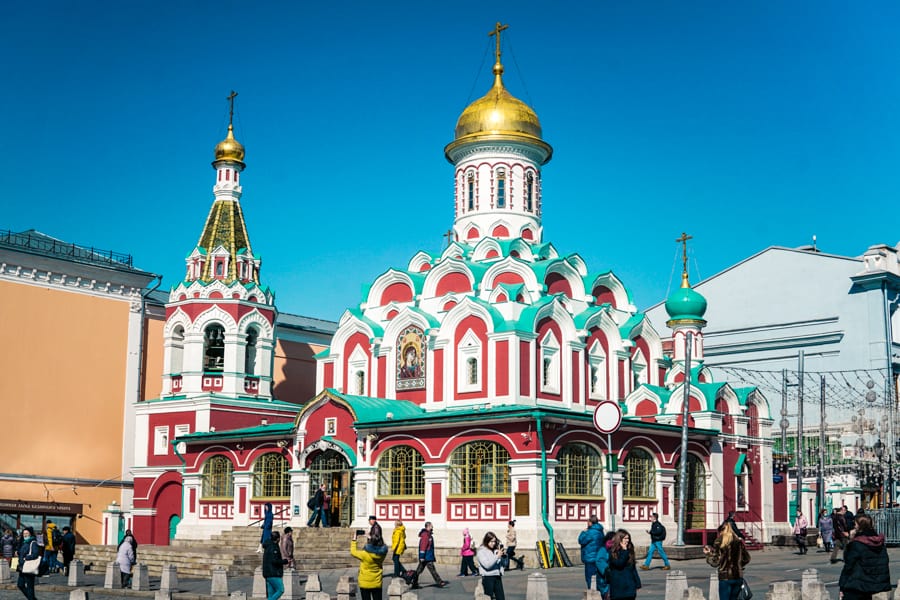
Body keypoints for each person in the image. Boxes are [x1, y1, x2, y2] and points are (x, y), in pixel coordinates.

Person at [838, 514, 892, 600]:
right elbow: (883, 562)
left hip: (855, 585)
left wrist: (842, 585)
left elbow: (848, 564)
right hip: (869, 585)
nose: (854, 526)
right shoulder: (879, 542)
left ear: (860, 526)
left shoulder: (857, 543)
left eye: (855, 524)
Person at [703, 523, 750, 600]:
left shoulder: (719, 542)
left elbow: (715, 562)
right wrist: (738, 566)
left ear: (721, 531)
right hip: (737, 576)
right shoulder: (739, 542)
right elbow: (747, 559)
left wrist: (708, 554)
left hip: (725, 577)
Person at [350, 529, 388, 600]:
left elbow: (353, 551)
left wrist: (354, 539)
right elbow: (382, 545)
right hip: (377, 581)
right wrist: (373, 538)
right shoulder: (382, 554)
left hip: (365, 582)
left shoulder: (364, 554)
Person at [607, 529, 641, 600]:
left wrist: (637, 583)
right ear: (619, 539)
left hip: (629, 585)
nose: (627, 540)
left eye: (628, 538)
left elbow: (633, 568)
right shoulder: (613, 552)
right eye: (625, 538)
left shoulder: (629, 550)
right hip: (618, 586)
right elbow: (619, 564)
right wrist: (624, 551)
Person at [577, 515, 608, 593]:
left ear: (590, 522)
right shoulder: (600, 531)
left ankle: (592, 592)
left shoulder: (590, 532)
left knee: (590, 578)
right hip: (598, 557)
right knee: (599, 576)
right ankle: (600, 591)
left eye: (588, 521)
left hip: (590, 557)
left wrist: (583, 532)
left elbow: (581, 540)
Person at [413, 521, 448, 589]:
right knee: (428, 570)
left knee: (419, 571)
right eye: (431, 526)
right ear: (428, 526)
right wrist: (422, 556)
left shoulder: (428, 535)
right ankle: (439, 582)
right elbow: (423, 546)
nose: (432, 527)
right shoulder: (426, 535)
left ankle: (414, 583)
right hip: (426, 556)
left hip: (427, 556)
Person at [477, 531, 506, 600]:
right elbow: (487, 565)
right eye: (491, 541)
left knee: (501, 598)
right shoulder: (481, 552)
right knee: (488, 598)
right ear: (486, 541)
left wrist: (503, 557)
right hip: (488, 577)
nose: (493, 543)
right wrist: (497, 556)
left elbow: (503, 564)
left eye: (494, 541)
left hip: (497, 576)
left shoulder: (495, 550)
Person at [262, 530, 287, 600]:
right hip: (274, 573)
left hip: (267, 573)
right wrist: (285, 561)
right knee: (280, 589)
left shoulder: (268, 545)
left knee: (271, 594)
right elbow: (275, 561)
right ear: (278, 539)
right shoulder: (273, 547)